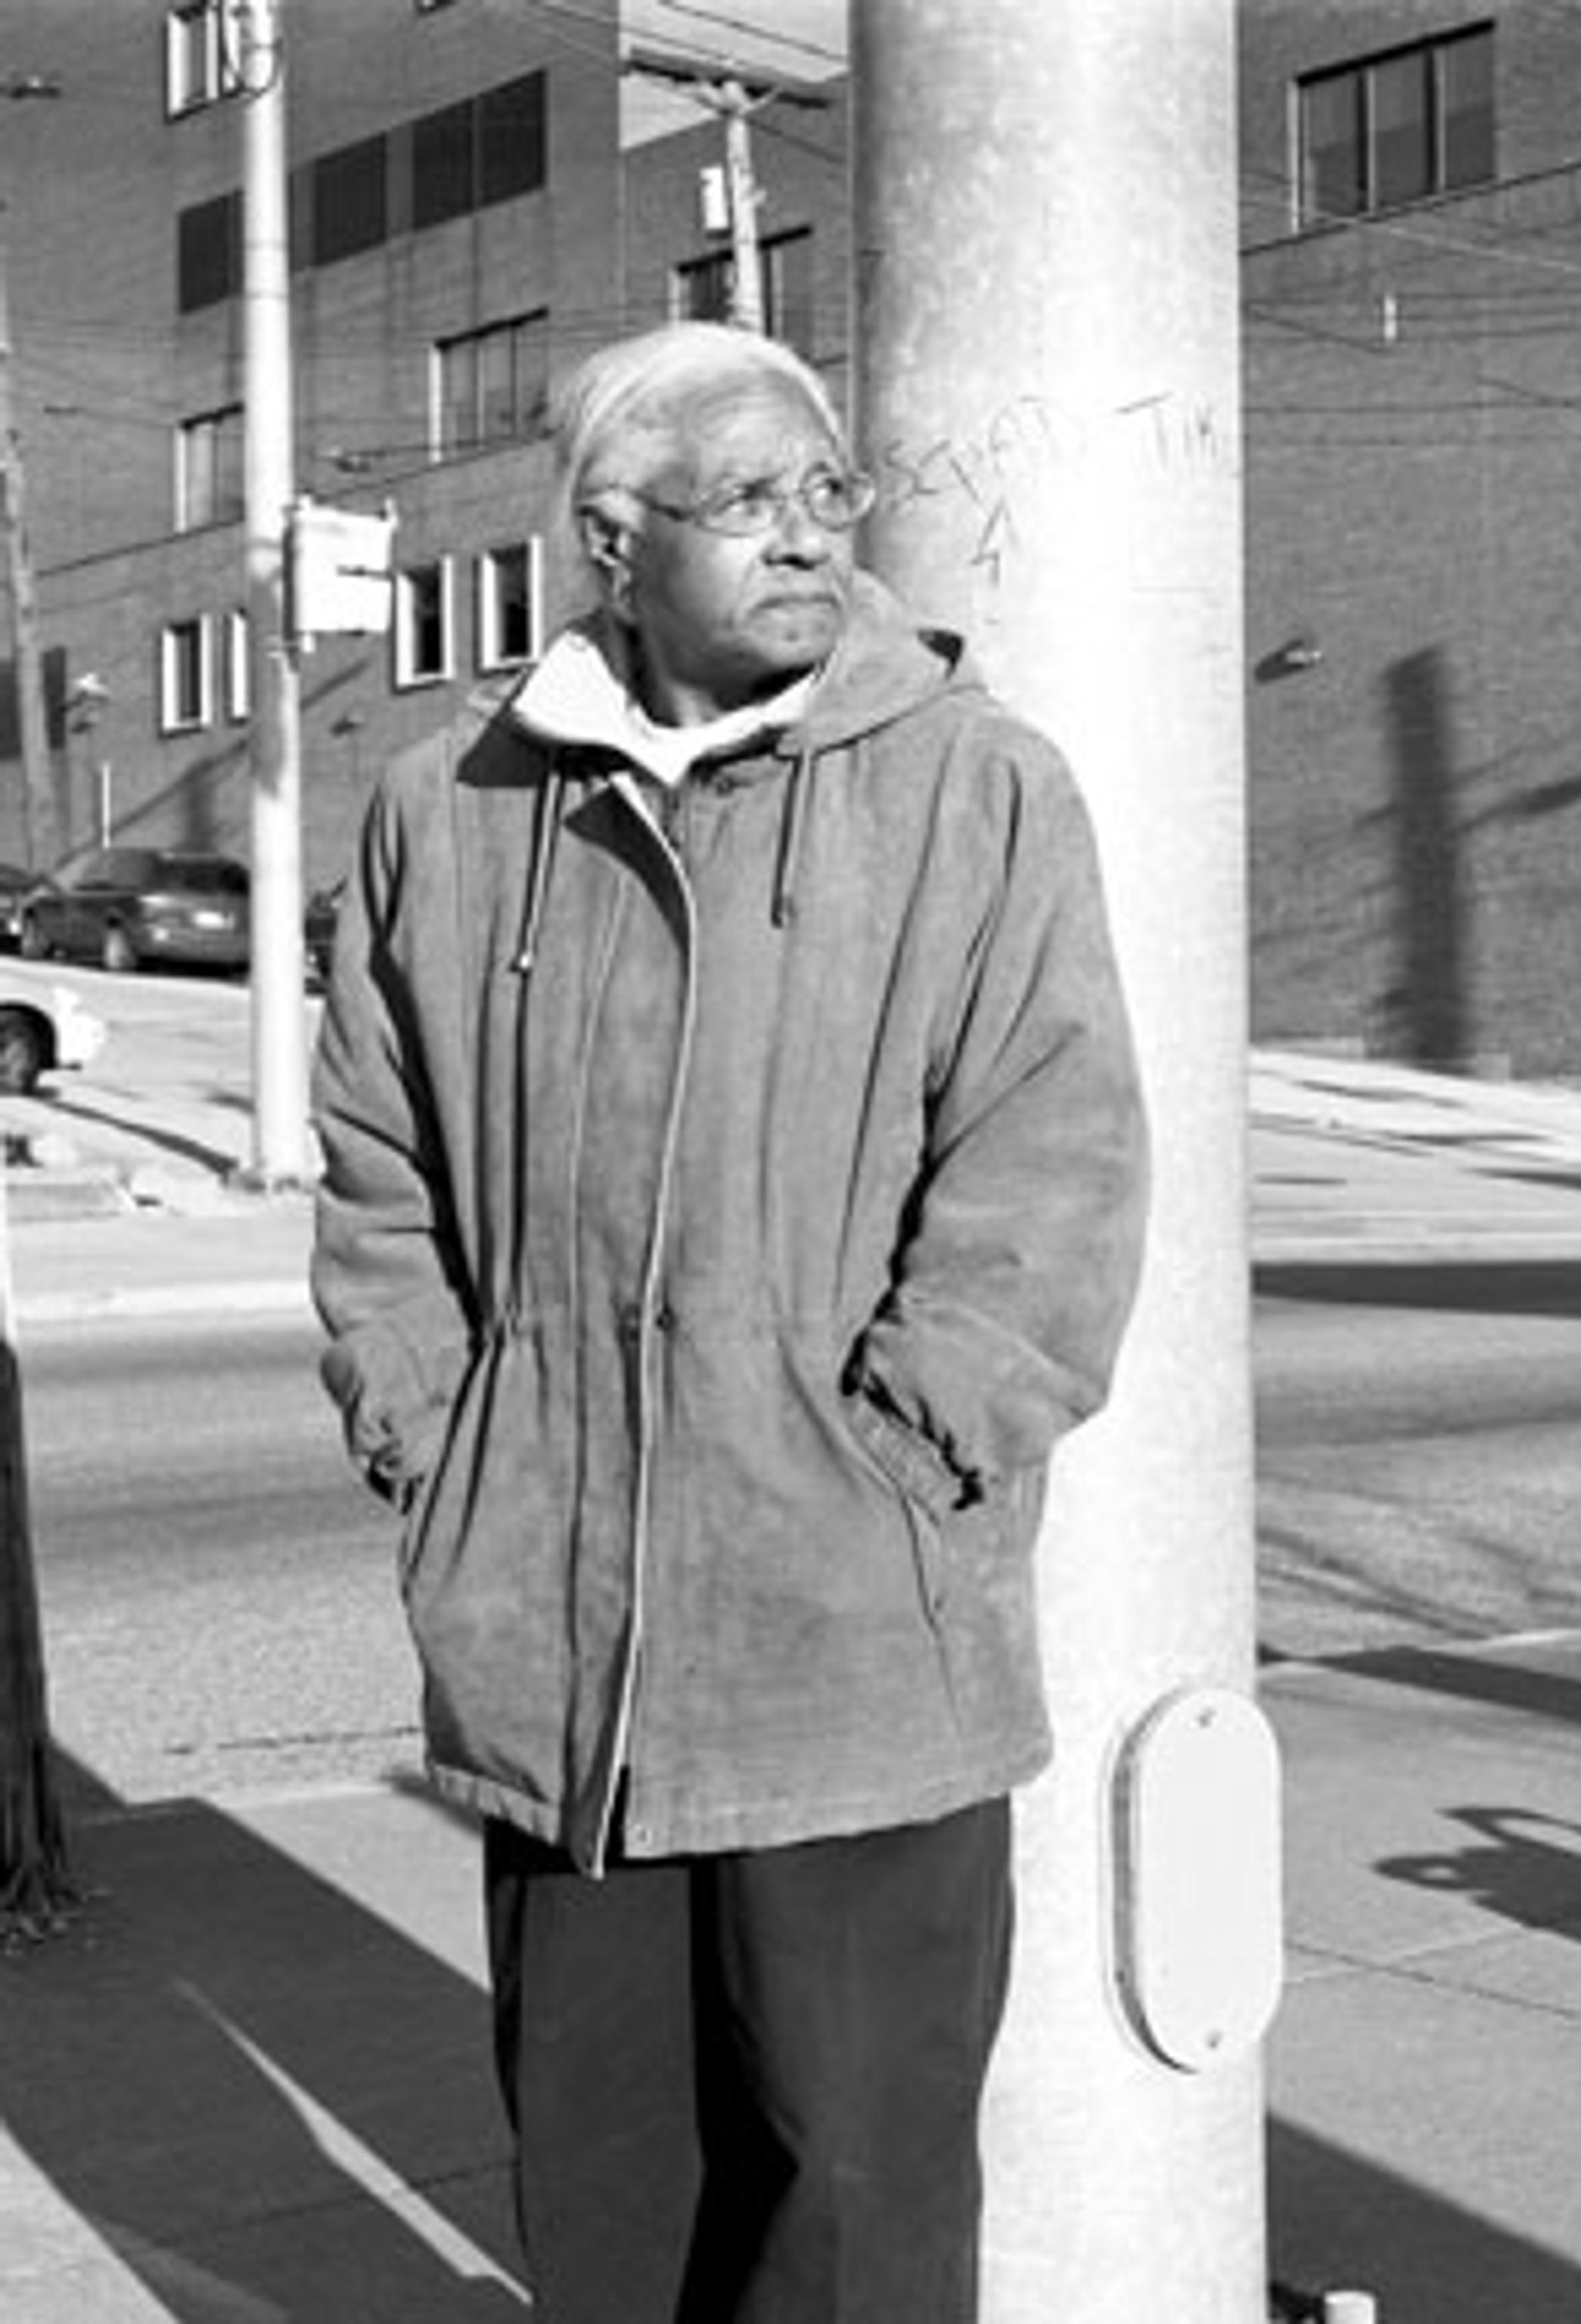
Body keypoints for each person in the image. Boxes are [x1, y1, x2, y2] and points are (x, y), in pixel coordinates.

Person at [309, 321, 1150, 2322]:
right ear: (612, 535)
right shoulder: (447, 806)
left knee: (848, 2209)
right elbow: (375, 1168)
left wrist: (900, 1461)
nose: (811, 534)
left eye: (827, 491)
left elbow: (1056, 1172)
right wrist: (446, 1449)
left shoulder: (972, 788)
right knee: (605, 2198)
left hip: (850, 1650)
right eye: (753, 497)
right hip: (560, 1663)